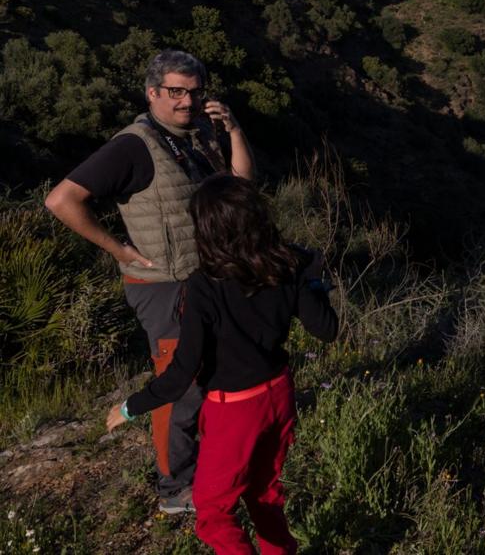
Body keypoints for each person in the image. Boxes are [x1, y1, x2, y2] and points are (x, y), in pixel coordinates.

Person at [45, 49, 254, 513]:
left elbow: (241, 187)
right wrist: (118, 250)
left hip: (205, 277)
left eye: (194, 91)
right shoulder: (133, 146)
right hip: (164, 287)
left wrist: (234, 130)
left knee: (211, 373)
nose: (186, 101)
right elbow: (61, 200)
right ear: (152, 93)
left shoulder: (199, 134)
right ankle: (174, 488)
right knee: (178, 384)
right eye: (175, 92)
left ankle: (205, 464)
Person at [107, 174, 338, 555]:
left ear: (208, 230)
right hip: (279, 394)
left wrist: (131, 407)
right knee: (264, 493)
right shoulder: (286, 266)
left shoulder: (204, 286)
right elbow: (326, 330)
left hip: (234, 411)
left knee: (213, 512)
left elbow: (181, 373)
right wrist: (312, 280)